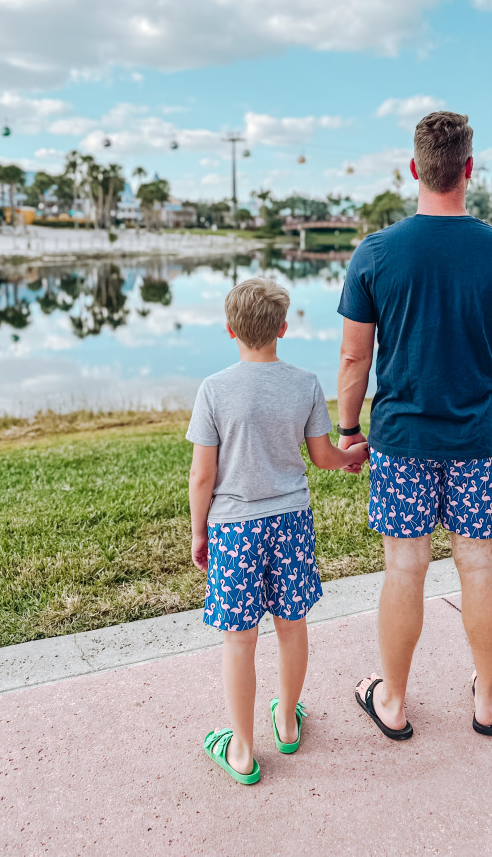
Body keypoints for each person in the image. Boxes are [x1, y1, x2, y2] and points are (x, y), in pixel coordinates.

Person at [336, 111, 492, 740]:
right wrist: (486, 410)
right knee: (479, 565)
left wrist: (347, 429)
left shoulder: (377, 253)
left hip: (401, 441)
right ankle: (484, 701)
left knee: (404, 568)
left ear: (415, 168)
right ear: (469, 170)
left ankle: (392, 702)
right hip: (476, 438)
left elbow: (353, 357)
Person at [188, 276, 368, 785]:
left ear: (229, 330)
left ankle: (243, 752)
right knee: (292, 626)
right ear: (283, 329)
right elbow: (321, 455)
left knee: (239, 641)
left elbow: (203, 475)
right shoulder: (304, 383)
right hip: (290, 523)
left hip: (233, 530)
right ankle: (287, 722)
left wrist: (199, 531)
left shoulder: (213, 390)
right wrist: (351, 456)